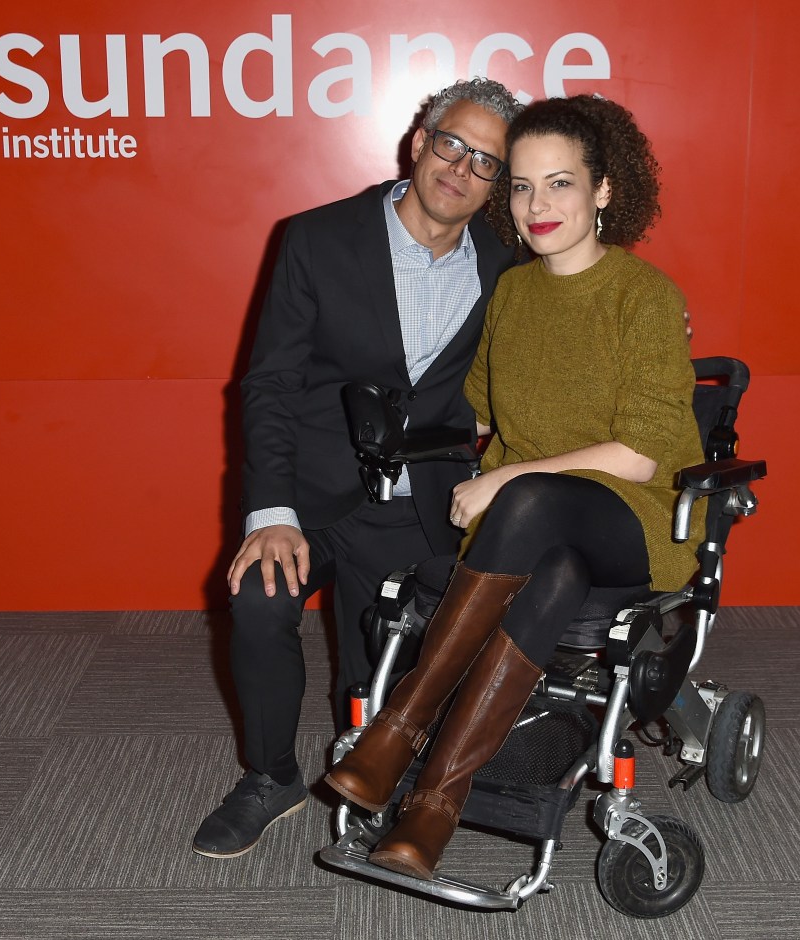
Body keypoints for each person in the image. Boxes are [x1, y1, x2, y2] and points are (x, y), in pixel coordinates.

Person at [325, 94, 706, 880]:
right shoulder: (513, 294)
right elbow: (473, 411)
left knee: (531, 502)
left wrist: (506, 478)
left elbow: (639, 456)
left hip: (635, 522)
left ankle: (398, 730)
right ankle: (434, 805)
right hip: (542, 539)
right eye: (524, 187)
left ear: (604, 191)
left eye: (561, 184)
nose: (539, 206)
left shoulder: (645, 296)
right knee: (554, 570)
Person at [192, 78, 525, 859]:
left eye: (486, 163)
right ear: (420, 141)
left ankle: (379, 759)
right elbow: (270, 382)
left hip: (421, 504)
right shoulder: (316, 237)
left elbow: (569, 316)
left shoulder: (508, 267)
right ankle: (270, 778)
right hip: (311, 488)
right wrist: (269, 512)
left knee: (394, 672)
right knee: (260, 601)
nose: (461, 169)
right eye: (452, 144)